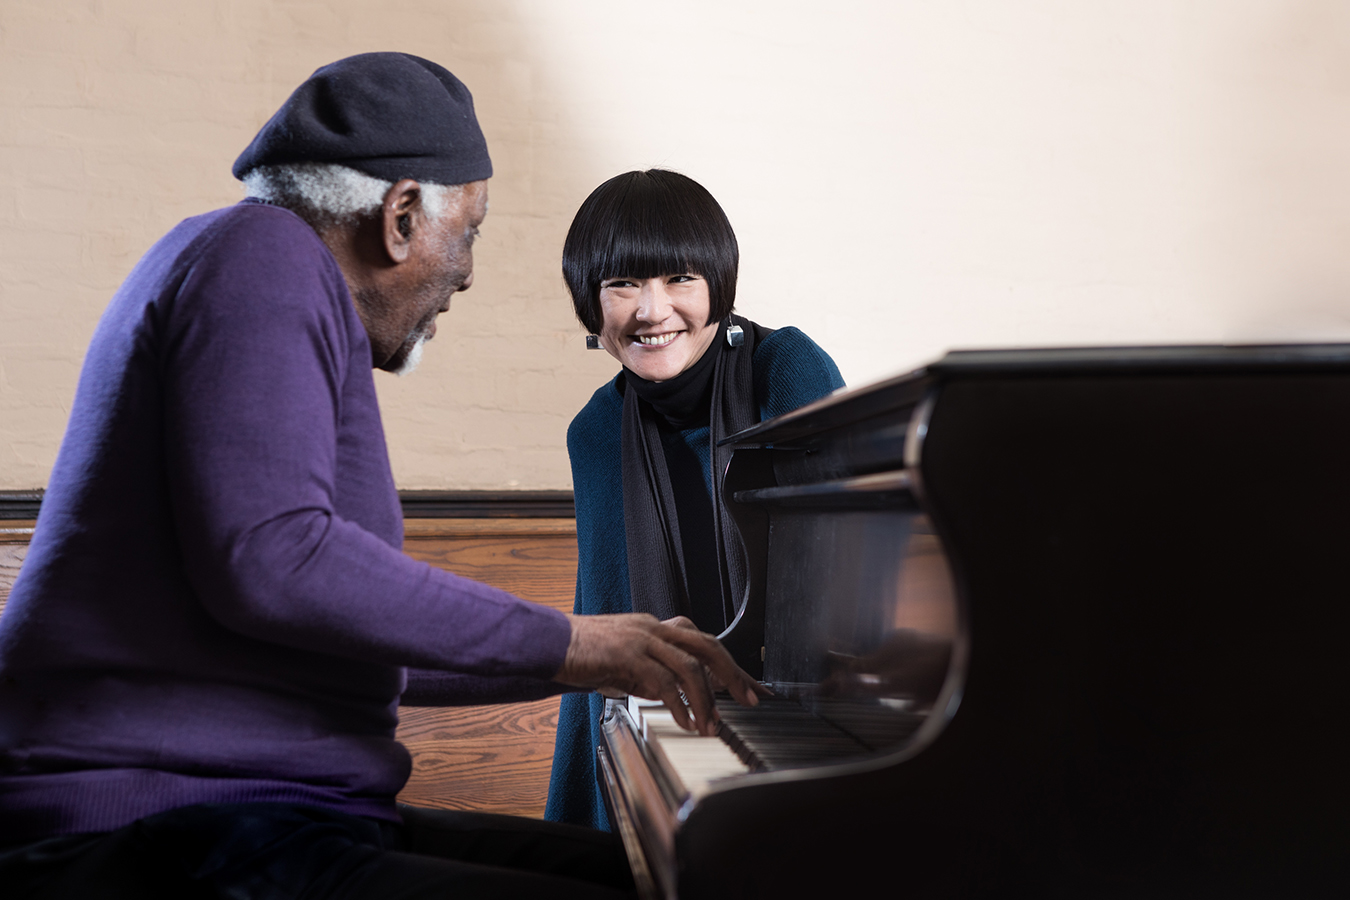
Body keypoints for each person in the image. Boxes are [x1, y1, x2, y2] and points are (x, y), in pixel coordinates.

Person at [0, 54, 763, 899]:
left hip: (257, 811)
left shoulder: (260, 272)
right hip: (157, 822)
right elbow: (276, 560)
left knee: (688, 875)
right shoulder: (262, 253)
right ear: (400, 216)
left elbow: (345, 626)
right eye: (466, 232)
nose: (466, 272)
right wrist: (576, 643)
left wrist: (606, 658)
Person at [545, 170, 846, 829]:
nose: (652, 311)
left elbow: (836, 598)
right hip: (671, 719)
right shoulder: (596, 431)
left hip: (802, 710)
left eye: (679, 278)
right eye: (623, 283)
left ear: (717, 285)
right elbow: (607, 629)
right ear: (592, 304)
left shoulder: (786, 370)